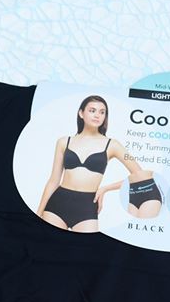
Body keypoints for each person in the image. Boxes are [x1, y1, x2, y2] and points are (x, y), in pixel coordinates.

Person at [36, 95, 149, 231]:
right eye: (92, 110)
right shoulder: (64, 142)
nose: (97, 115)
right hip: (57, 204)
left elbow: (141, 176)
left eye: (102, 112)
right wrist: (38, 213)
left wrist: (105, 189)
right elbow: (53, 181)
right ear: (81, 113)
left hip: (87, 206)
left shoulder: (112, 145)